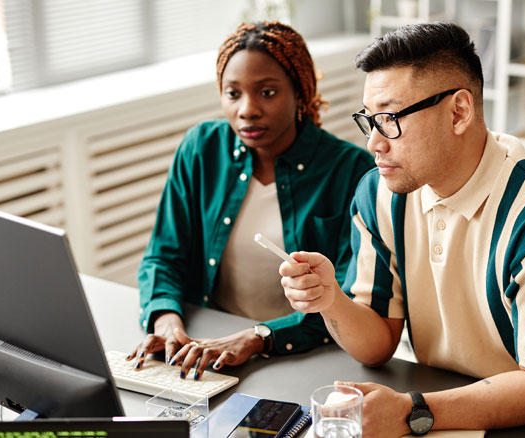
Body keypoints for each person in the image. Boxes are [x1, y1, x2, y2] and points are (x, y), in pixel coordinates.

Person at [279, 22, 525, 436]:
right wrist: (331, 299)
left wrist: (409, 413)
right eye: (369, 120)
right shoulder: (378, 195)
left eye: (390, 118)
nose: (374, 143)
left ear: (459, 112)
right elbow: (377, 344)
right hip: (449, 405)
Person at [127, 21, 374, 380]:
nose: (247, 109)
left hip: (308, 355)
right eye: (233, 93)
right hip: (208, 344)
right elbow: (164, 256)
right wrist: (165, 319)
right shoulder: (201, 149)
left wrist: (258, 337)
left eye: (268, 92)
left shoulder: (352, 171)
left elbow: (352, 300)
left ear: (300, 93)